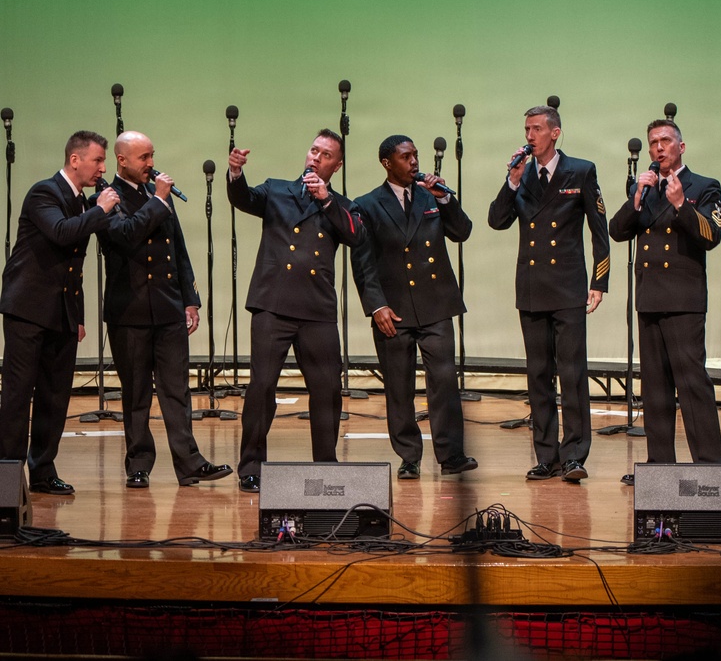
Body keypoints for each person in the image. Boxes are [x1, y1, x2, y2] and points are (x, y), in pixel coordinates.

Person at [228, 129, 366, 493]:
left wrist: (326, 201)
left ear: (336, 164)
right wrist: (236, 174)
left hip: (316, 309)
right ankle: (252, 466)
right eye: (313, 150)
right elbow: (244, 199)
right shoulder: (277, 190)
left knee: (327, 390)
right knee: (261, 386)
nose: (316, 158)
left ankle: (326, 462)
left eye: (325, 154)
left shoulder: (342, 205)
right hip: (273, 305)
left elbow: (356, 236)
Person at [98, 131, 233, 488]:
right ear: (122, 160)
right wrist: (157, 201)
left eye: (152, 155)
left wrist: (189, 297)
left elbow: (178, 248)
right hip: (130, 311)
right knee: (137, 391)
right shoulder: (108, 198)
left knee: (177, 390)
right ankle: (138, 463)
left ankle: (189, 463)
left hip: (168, 307)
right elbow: (125, 235)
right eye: (143, 158)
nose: (151, 164)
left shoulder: (156, 195)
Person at [487, 105, 610, 483]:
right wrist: (511, 182)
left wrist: (599, 281)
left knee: (572, 375)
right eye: (526, 129)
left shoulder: (581, 171)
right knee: (538, 376)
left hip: (569, 287)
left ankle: (574, 455)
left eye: (537, 129)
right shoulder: (521, 176)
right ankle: (546, 455)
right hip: (531, 288)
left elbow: (599, 229)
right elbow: (497, 220)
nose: (529, 136)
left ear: (555, 133)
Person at [350, 135, 478, 480]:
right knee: (399, 386)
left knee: (445, 382)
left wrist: (447, 199)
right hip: (394, 309)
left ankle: (451, 456)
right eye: (406, 157)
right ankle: (409, 456)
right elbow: (363, 262)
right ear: (387, 163)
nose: (414, 162)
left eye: (416, 155)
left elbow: (462, 231)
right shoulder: (367, 204)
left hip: (435, 304)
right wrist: (376, 306)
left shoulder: (430, 196)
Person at [0, 131, 119, 494]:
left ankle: (42, 471)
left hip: (62, 312)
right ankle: (7, 478)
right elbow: (61, 233)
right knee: (19, 395)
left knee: (55, 395)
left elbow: (75, 265)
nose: (103, 168)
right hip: (28, 308)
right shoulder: (45, 192)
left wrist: (78, 315)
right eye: (98, 161)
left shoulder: (82, 201)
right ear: (75, 160)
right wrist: (100, 210)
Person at [609, 120, 721, 485]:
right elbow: (617, 230)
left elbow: (712, 234)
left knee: (692, 385)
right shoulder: (642, 186)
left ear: (681, 146)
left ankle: (710, 467)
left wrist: (681, 206)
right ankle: (659, 467)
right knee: (655, 388)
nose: (659, 148)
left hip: (683, 300)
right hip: (649, 298)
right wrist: (636, 198)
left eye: (666, 141)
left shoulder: (703, 186)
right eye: (653, 143)